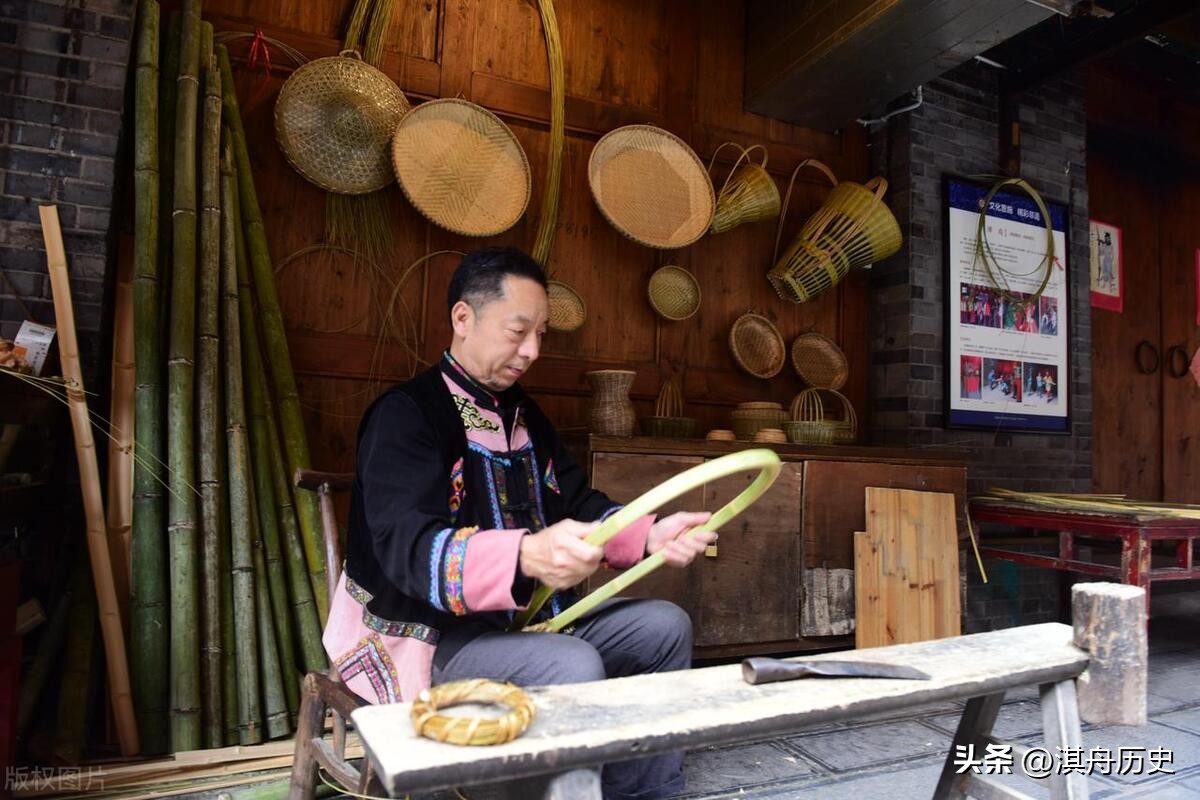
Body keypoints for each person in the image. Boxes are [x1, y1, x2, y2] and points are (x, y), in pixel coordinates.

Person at [323, 247, 714, 800]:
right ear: (463, 318)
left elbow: (579, 501)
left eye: (541, 334)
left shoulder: (525, 417)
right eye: (518, 331)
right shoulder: (406, 416)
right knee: (571, 663)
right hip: (431, 640)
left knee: (663, 627)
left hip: (526, 624)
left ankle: (644, 793)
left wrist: (648, 535)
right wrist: (526, 555)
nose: (531, 351)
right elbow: (407, 551)